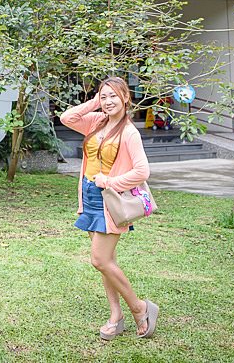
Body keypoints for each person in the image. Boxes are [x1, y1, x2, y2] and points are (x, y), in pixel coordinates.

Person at [60, 76, 159, 340]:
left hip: (110, 201)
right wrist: (94, 102)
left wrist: (111, 181)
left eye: (113, 96)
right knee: (107, 262)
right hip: (90, 196)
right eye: (104, 97)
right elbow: (67, 118)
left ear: (126, 97)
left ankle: (140, 309)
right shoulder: (96, 121)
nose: (108, 101)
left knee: (99, 260)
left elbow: (142, 171)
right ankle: (116, 317)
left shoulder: (129, 132)